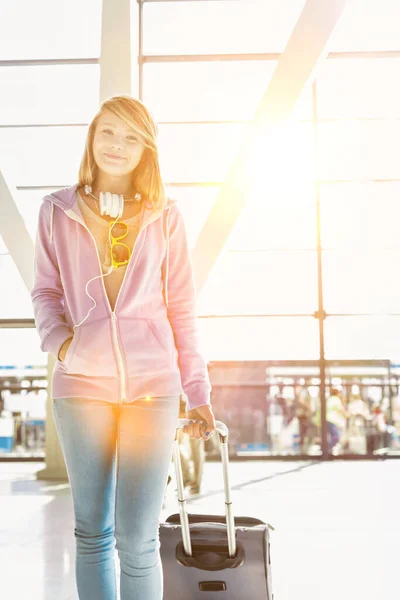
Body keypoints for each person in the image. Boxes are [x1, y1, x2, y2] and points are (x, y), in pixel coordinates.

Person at [30, 94, 216, 600]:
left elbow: (182, 307)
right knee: (92, 532)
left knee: (137, 537)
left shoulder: (165, 217)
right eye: (109, 131)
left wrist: (197, 390)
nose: (117, 144)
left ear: (146, 150)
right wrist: (64, 346)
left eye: (132, 136)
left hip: (153, 388)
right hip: (80, 388)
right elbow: (45, 291)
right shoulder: (56, 211)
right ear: (92, 136)